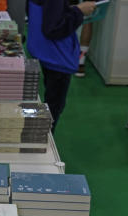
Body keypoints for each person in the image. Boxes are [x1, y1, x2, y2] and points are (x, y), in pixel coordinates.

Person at [27, 0, 96, 130]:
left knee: (51, 102)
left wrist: (69, 10)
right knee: (52, 108)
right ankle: (43, 139)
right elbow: (54, 29)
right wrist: (79, 11)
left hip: (44, 51)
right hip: (57, 56)